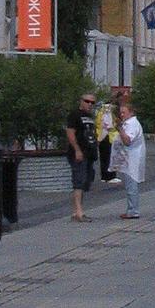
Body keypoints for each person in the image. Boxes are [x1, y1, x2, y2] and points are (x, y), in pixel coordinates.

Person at [65, 91, 98, 223]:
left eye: (92, 102)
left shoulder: (90, 116)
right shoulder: (74, 115)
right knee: (79, 181)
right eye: (87, 101)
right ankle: (78, 212)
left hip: (89, 153)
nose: (89, 104)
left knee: (86, 181)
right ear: (81, 101)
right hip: (79, 153)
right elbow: (70, 133)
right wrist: (77, 150)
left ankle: (77, 211)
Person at [112, 94, 146, 219]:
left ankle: (133, 210)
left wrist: (120, 129)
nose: (121, 115)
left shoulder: (132, 124)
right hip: (128, 159)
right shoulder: (129, 123)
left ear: (130, 112)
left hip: (132, 159)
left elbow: (127, 141)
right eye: (120, 113)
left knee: (131, 184)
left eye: (124, 112)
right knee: (130, 184)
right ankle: (131, 209)